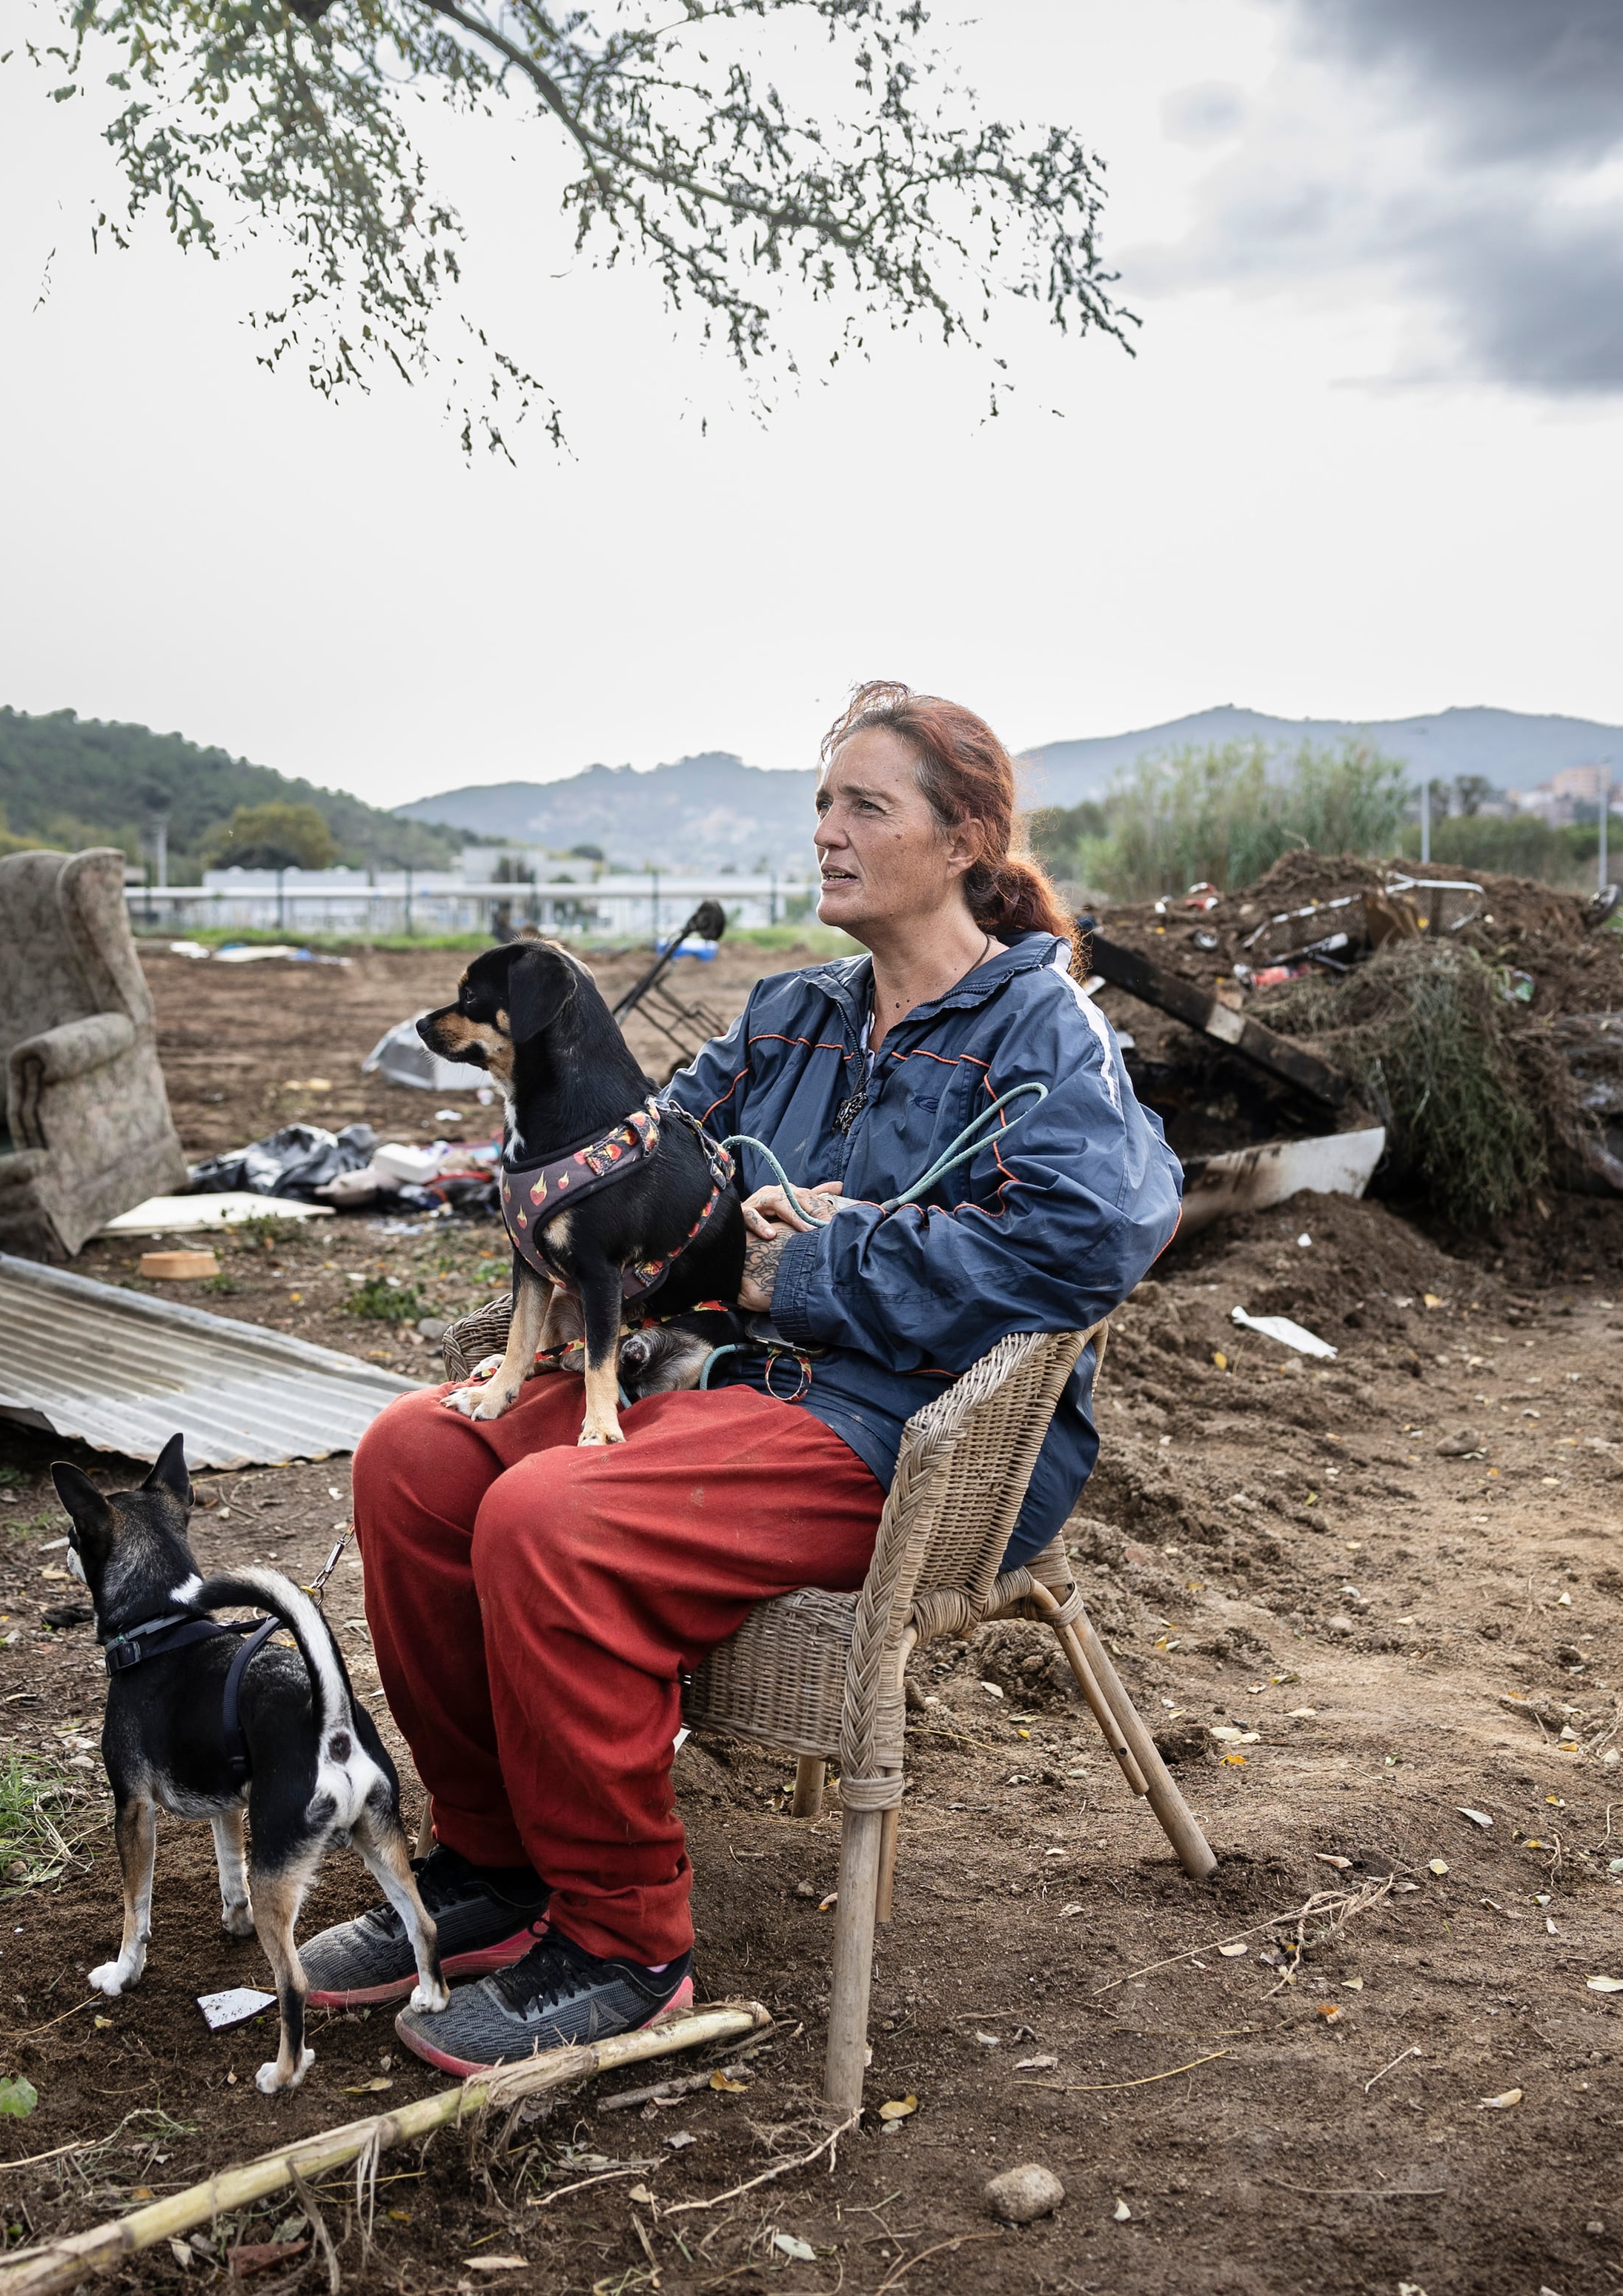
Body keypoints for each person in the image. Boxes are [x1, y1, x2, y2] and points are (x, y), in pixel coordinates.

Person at [299, 681, 1182, 2074]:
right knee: (416, 1455)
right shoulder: (792, 1017)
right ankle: (495, 1863)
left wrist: (815, 1263)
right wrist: (680, 1227)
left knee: (549, 1516)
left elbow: (1096, 1235)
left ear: (964, 839)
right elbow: (640, 1163)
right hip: (714, 1383)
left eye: (863, 806)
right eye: (821, 803)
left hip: (901, 1431)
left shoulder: (1038, 1031)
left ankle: (623, 1941)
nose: (825, 832)